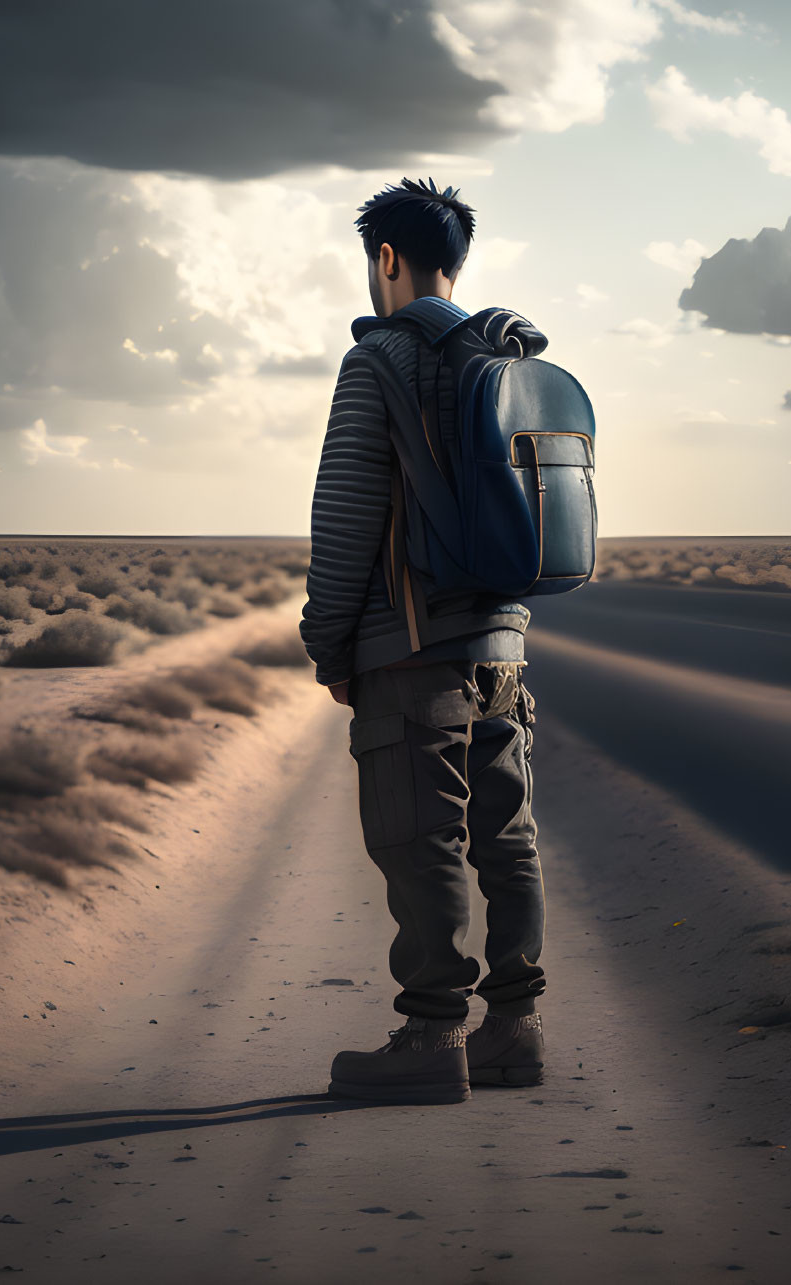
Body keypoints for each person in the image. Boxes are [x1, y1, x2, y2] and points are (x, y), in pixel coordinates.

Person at [299, 177, 547, 1105]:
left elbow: (347, 515)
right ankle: (514, 1031)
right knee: (506, 838)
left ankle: (431, 1037)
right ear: (458, 259)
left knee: (420, 839)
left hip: (408, 648)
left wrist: (330, 643)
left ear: (387, 258)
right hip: (503, 649)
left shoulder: (378, 363)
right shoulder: (507, 352)